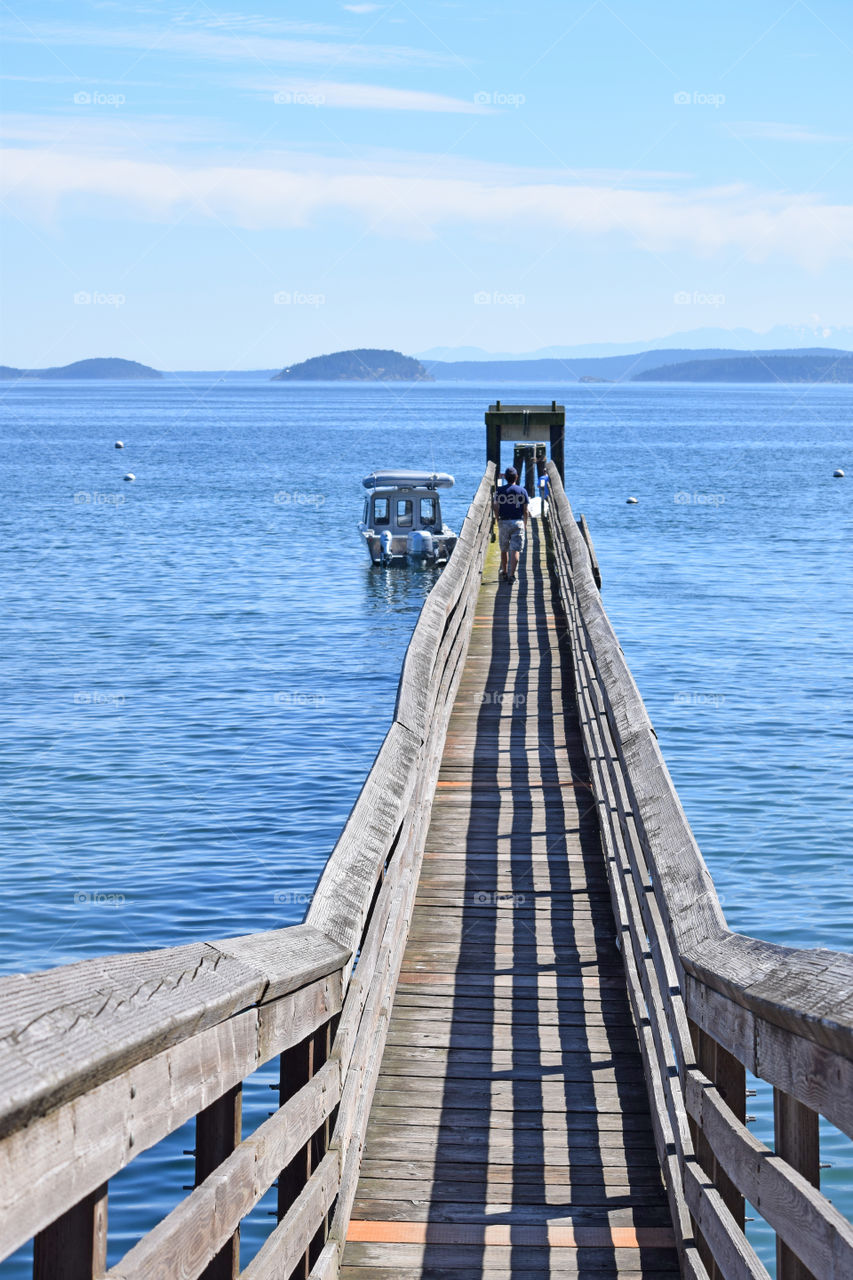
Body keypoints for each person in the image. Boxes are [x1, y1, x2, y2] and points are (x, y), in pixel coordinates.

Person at [493, 466, 528, 584]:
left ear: (505, 477)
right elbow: (525, 510)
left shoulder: (499, 490)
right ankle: (512, 575)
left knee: (504, 549)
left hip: (504, 521)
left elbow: (495, 506)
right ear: (516, 477)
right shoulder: (522, 491)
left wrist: (498, 519)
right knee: (515, 549)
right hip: (517, 522)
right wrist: (525, 523)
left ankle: (504, 572)